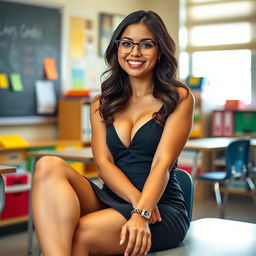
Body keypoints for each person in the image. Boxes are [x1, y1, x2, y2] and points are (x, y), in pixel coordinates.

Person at [32, 10, 194, 256]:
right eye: (127, 43)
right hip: (115, 198)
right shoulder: (102, 102)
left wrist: (142, 212)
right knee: (47, 165)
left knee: (81, 233)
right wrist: (135, 201)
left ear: (160, 51)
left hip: (161, 208)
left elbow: (162, 164)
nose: (135, 53)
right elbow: (104, 164)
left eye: (146, 45)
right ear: (117, 48)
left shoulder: (179, 97)